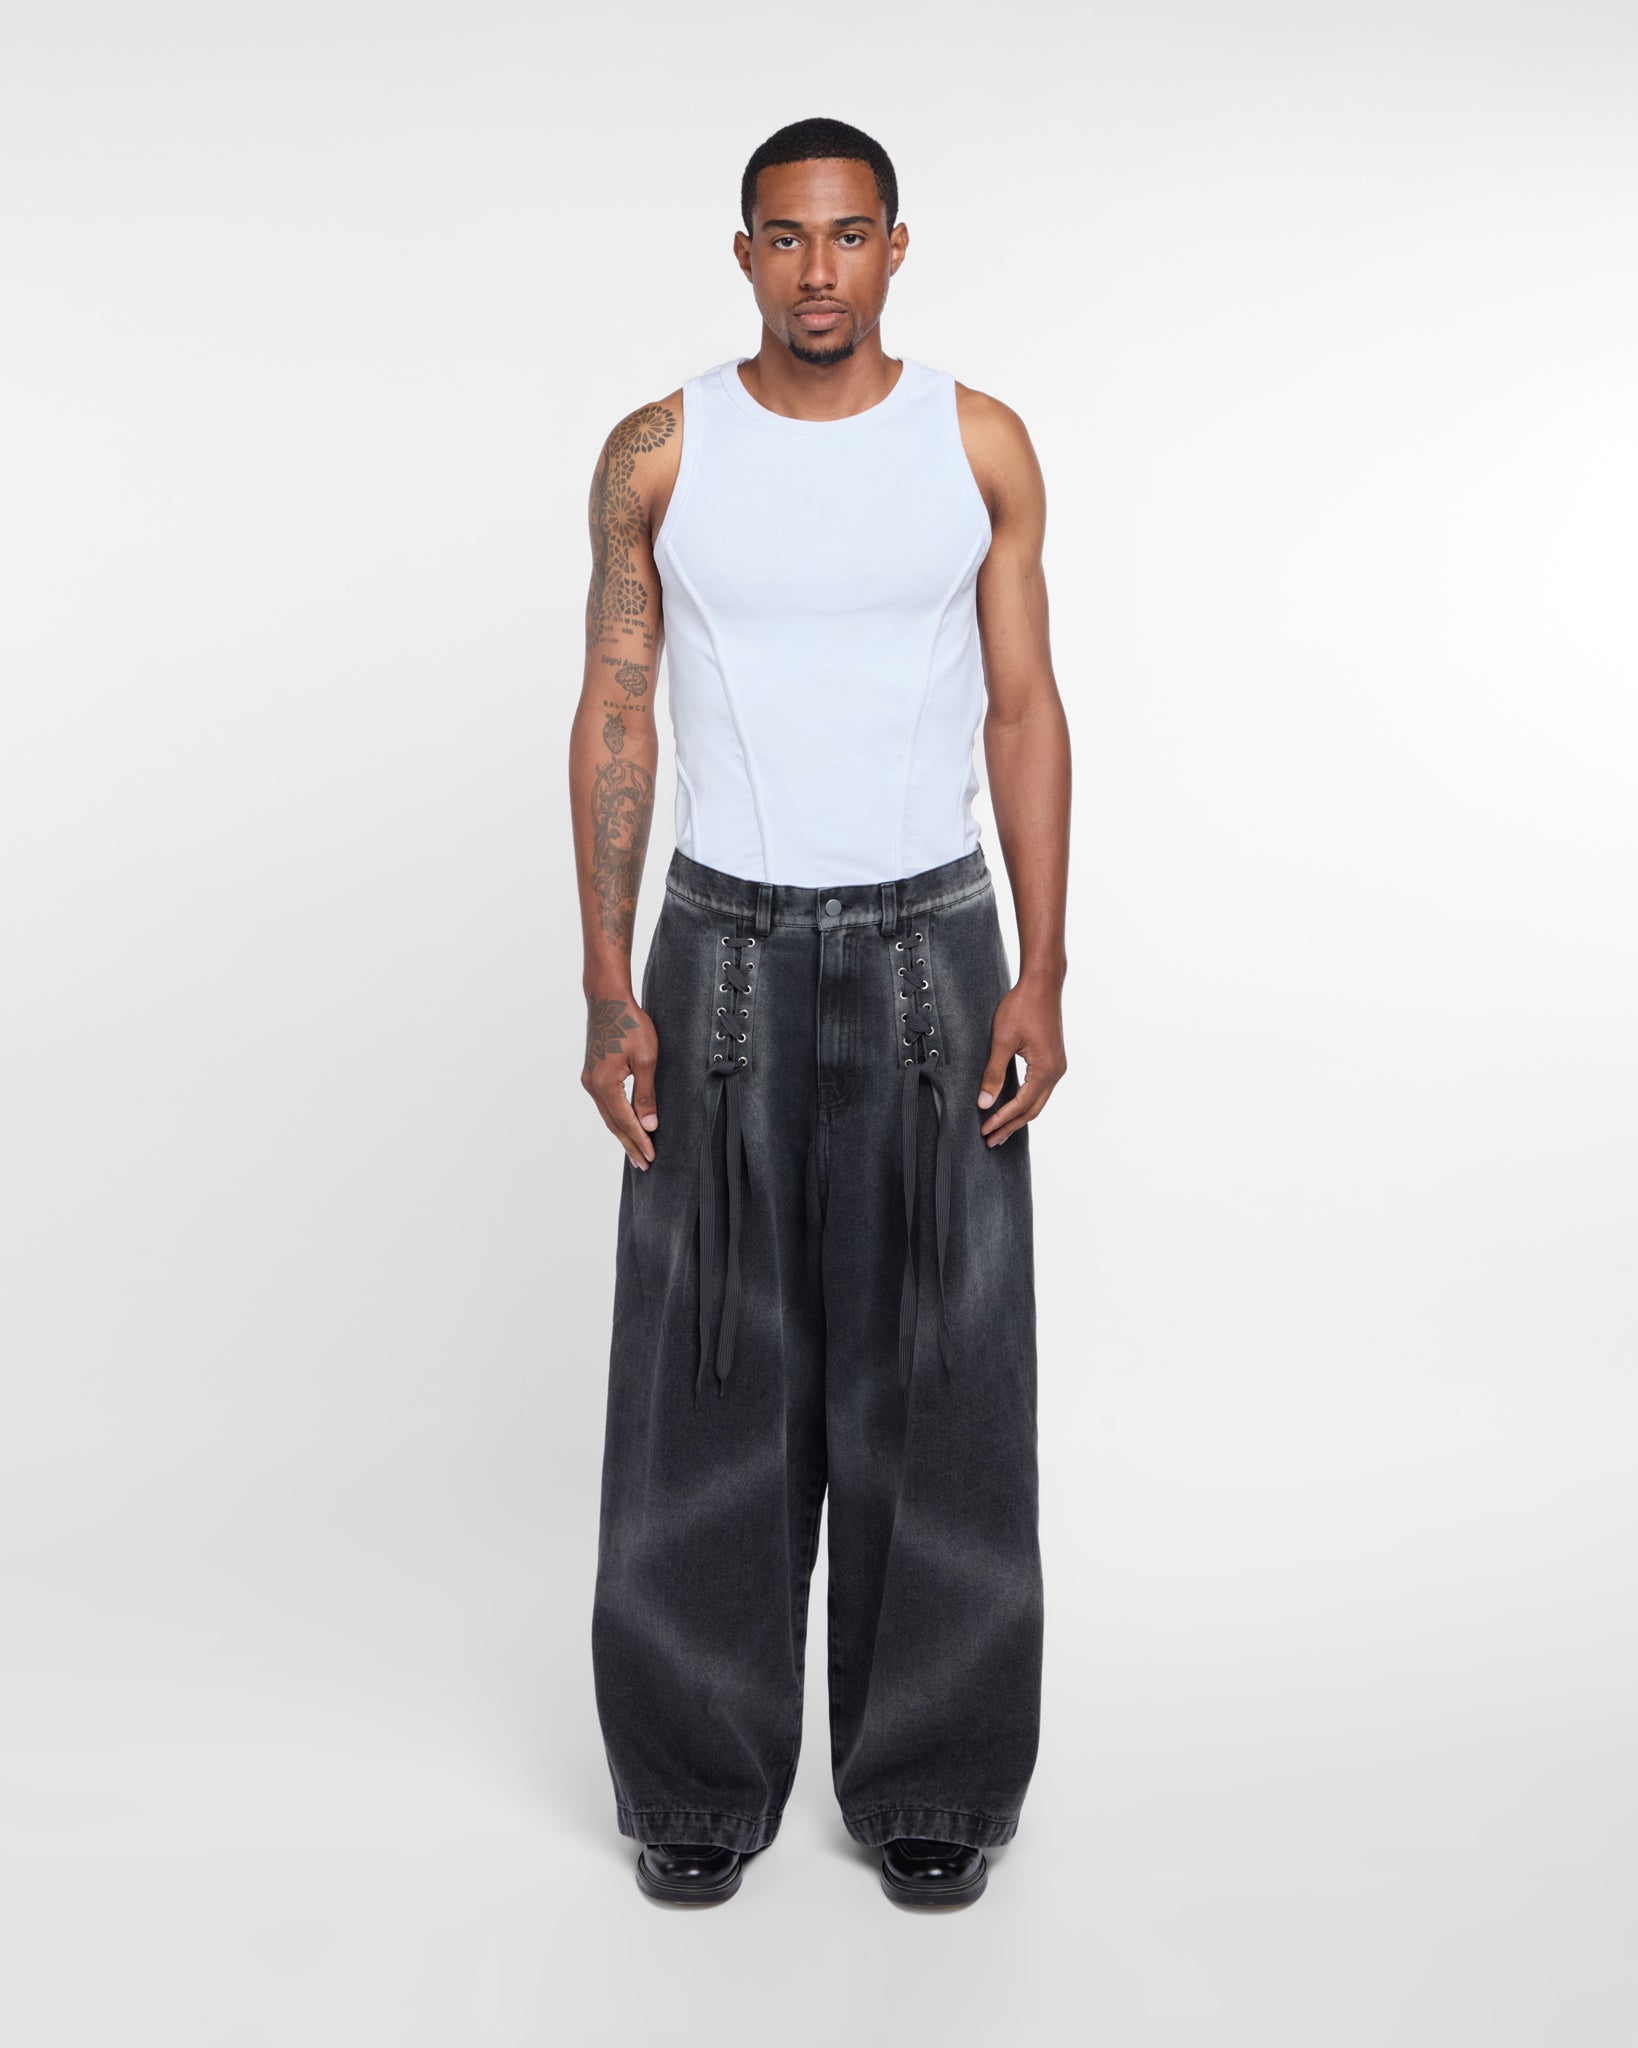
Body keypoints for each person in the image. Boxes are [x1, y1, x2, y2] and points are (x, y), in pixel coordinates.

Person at [571, 115, 1071, 1910]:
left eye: (848, 235)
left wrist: (1041, 965)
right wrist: (605, 979)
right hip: (718, 949)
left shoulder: (975, 441)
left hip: (934, 944)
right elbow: (616, 704)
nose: (816, 270)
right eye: (784, 238)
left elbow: (1021, 706)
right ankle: (695, 1785)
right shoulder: (661, 451)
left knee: (944, 1360)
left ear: (895, 247)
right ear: (743, 254)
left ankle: (932, 1778)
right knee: (706, 1363)